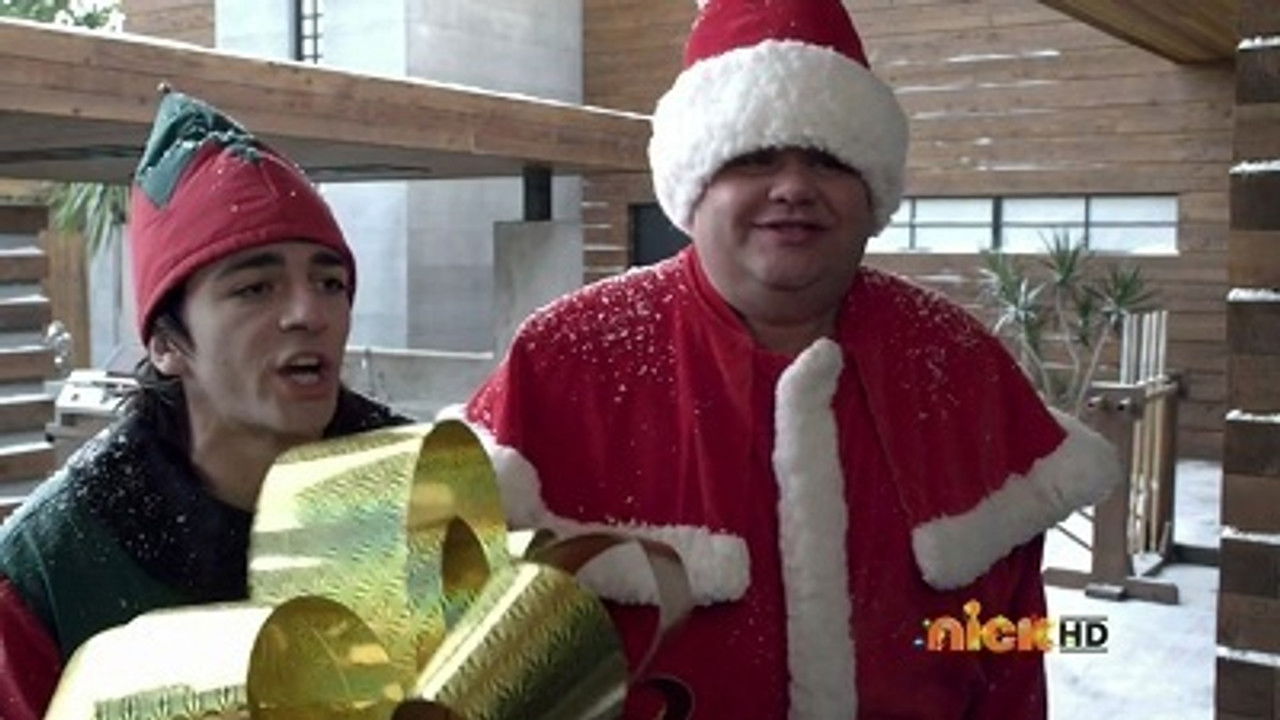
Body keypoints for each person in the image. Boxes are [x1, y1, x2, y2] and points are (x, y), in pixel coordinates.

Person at [465, 0, 1121, 717]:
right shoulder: (564, 361)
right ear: (695, 184)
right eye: (754, 157)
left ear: (872, 193)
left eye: (829, 159)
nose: (794, 188)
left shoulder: (959, 365)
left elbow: (1011, 652)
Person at [0, 91, 408, 720]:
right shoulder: (53, 565)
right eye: (256, 288)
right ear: (166, 345)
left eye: (330, 282)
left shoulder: (423, 489)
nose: (310, 313)